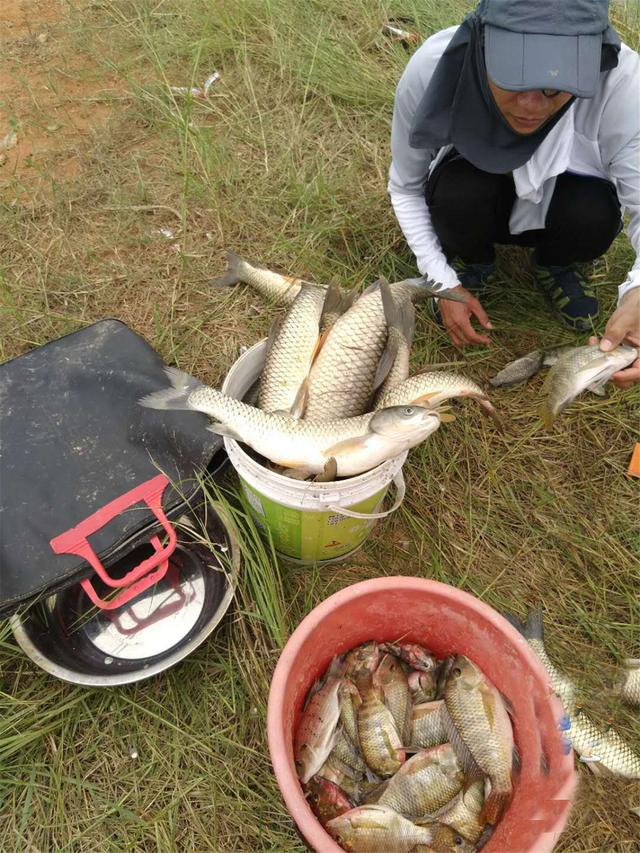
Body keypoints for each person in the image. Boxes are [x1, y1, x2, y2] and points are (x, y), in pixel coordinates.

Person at [388, 0, 640, 388]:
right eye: (512, 77)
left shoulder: (624, 84)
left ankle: (557, 263)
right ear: (481, 45)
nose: (530, 106)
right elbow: (405, 187)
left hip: (571, 200)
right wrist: (441, 281)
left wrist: (639, 291)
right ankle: (473, 263)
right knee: (460, 195)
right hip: (473, 191)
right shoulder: (433, 66)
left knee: (591, 213)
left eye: (555, 86)